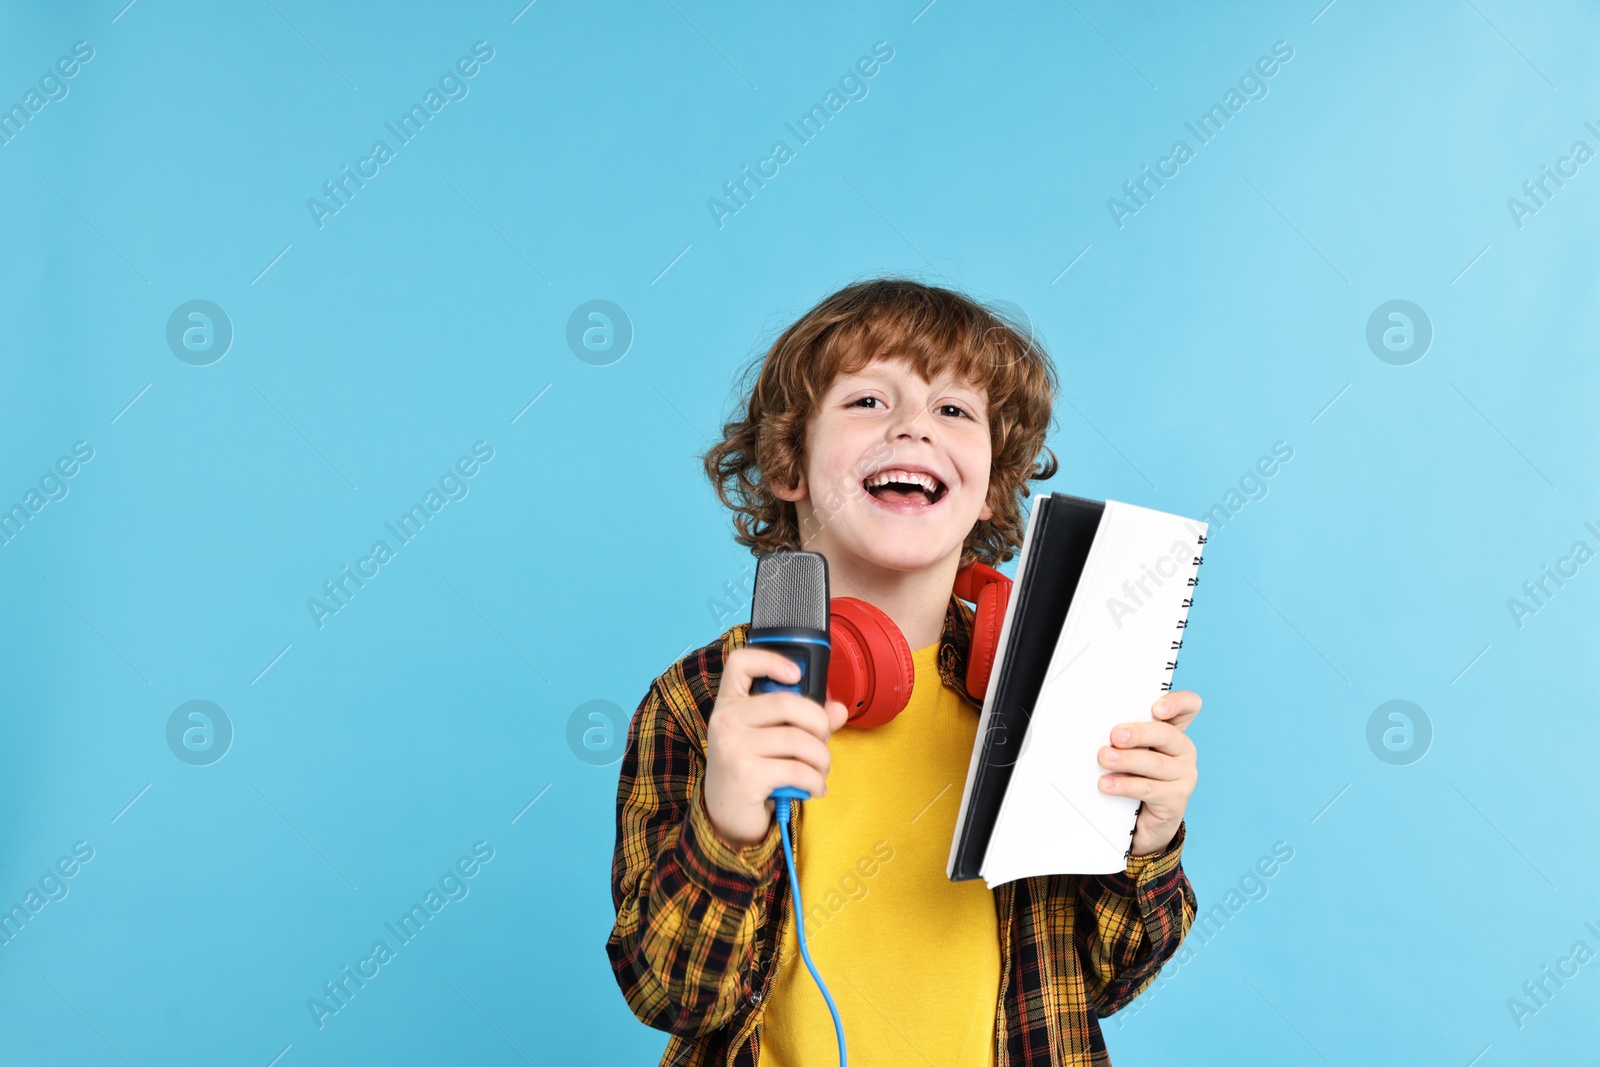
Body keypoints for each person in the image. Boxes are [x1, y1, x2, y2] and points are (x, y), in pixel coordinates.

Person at [606, 277, 1202, 1066]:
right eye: (868, 402)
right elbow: (668, 992)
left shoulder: (1055, 692)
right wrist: (727, 818)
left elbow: (1112, 975)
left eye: (954, 410)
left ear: (992, 487)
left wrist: (1147, 841)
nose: (914, 429)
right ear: (789, 461)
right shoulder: (708, 698)